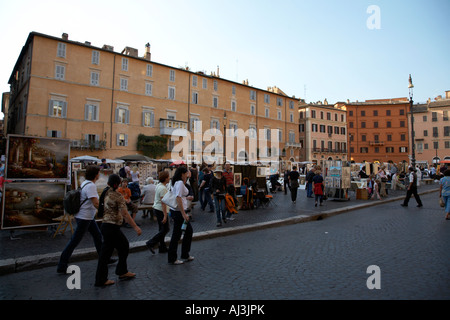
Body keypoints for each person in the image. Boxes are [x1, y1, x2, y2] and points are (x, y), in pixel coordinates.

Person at [94, 174, 142, 287]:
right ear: (118, 183)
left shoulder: (106, 192)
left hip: (106, 225)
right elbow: (125, 213)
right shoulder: (117, 195)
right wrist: (135, 226)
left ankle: (119, 272)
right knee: (118, 248)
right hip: (112, 226)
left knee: (115, 249)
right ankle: (109, 276)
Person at [57, 165, 104, 273]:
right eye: (98, 172)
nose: (99, 174)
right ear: (95, 174)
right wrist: (106, 212)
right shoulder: (91, 186)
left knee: (97, 236)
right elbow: (95, 202)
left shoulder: (85, 183)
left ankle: (104, 258)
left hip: (86, 216)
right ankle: (62, 264)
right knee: (75, 241)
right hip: (85, 217)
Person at [168, 166, 194, 265]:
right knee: (177, 235)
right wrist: (184, 214)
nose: (188, 174)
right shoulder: (179, 183)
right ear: (182, 174)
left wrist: (186, 199)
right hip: (179, 212)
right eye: (187, 173)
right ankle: (173, 257)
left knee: (186, 232)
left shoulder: (177, 182)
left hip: (178, 211)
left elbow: (180, 197)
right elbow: (178, 197)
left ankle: (184, 254)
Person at [146, 171, 171, 253]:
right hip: (161, 210)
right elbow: (163, 202)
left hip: (157, 208)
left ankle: (162, 247)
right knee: (165, 229)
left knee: (162, 229)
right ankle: (151, 242)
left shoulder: (159, 186)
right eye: (168, 177)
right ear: (165, 178)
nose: (169, 178)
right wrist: (165, 215)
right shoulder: (163, 188)